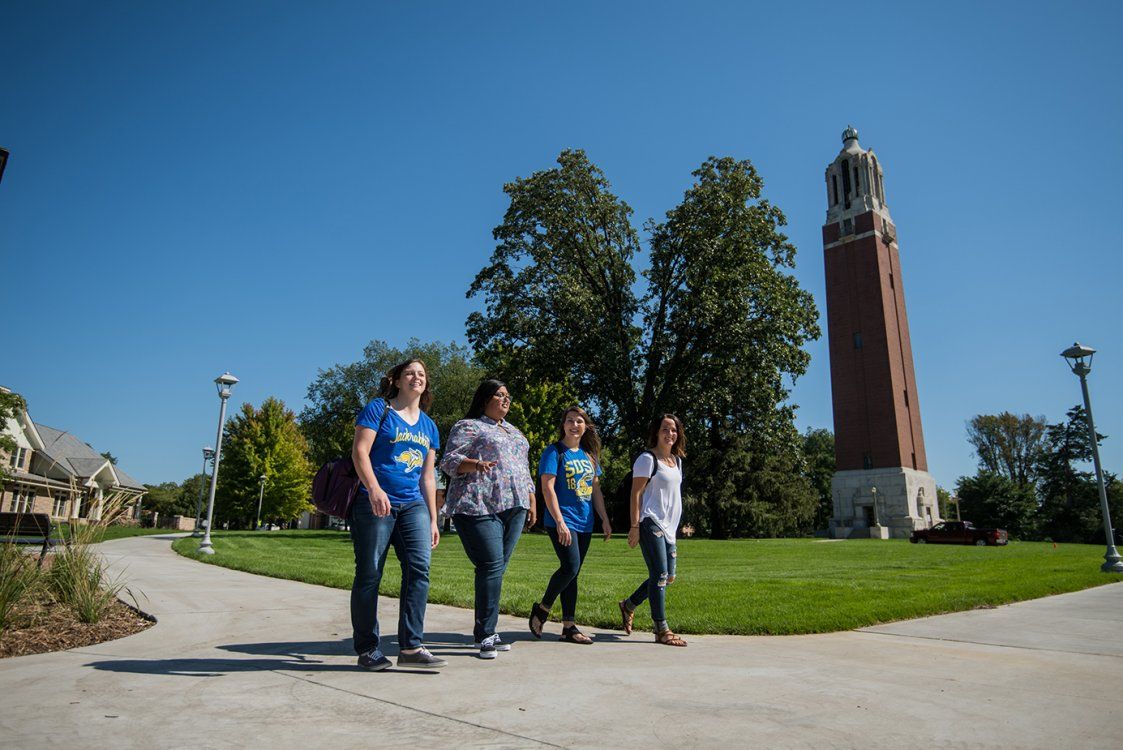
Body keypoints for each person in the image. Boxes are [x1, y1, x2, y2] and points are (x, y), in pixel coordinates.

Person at [349, 358, 446, 671]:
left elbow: (428, 477)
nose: (416, 377)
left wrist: (433, 518)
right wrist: (375, 489)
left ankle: (411, 646)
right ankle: (367, 649)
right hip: (375, 501)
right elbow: (360, 451)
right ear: (397, 380)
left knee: (419, 570)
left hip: (414, 504)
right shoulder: (380, 409)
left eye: (421, 374)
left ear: (425, 383)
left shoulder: (429, 426)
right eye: (410, 373)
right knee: (369, 573)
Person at [440, 379, 536, 659]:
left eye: (508, 395)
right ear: (484, 399)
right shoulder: (468, 426)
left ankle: (487, 631)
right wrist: (476, 464)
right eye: (500, 395)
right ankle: (485, 634)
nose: (506, 400)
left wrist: (531, 500)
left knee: (497, 568)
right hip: (478, 504)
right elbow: (448, 461)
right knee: (491, 565)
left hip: (515, 506)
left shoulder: (515, 432)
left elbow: (524, 469)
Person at [529, 406, 611, 644]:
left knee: (573, 573)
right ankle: (542, 609)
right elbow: (547, 488)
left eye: (579, 421)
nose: (574, 425)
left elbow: (595, 490)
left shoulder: (589, 456)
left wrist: (604, 518)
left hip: (585, 522)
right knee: (570, 567)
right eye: (569, 421)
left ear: (586, 426)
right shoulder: (554, 452)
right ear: (563, 425)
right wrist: (560, 522)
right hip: (561, 520)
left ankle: (569, 626)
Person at [618, 414, 687, 647]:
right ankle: (661, 629)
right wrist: (635, 526)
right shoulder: (647, 459)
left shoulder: (677, 461)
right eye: (665, 429)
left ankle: (628, 605)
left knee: (667, 577)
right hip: (650, 522)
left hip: (670, 527)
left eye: (674, 430)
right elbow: (636, 494)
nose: (670, 434)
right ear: (657, 432)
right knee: (659, 575)